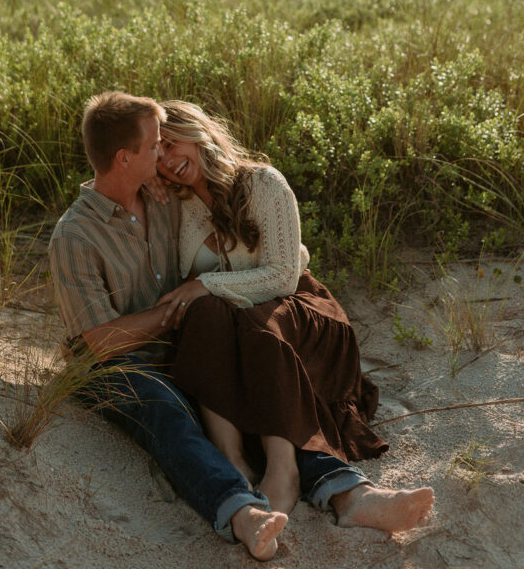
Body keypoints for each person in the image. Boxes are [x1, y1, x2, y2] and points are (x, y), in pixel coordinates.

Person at [154, 99, 435, 532]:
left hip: (298, 309)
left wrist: (205, 284)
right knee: (204, 316)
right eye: (158, 153)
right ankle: (242, 464)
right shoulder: (179, 204)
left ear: (197, 132)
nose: (168, 160)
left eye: (172, 144)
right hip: (238, 328)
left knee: (253, 323)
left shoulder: (263, 183)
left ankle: (283, 469)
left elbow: (284, 277)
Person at [48, 91, 287, 561]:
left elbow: (242, 245)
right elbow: (99, 341)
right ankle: (240, 512)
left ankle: (332, 482)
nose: (164, 152)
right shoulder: (74, 237)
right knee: (167, 410)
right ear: (124, 157)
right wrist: (170, 311)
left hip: (175, 345)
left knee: (254, 373)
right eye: (155, 145)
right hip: (110, 365)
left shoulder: (165, 200)